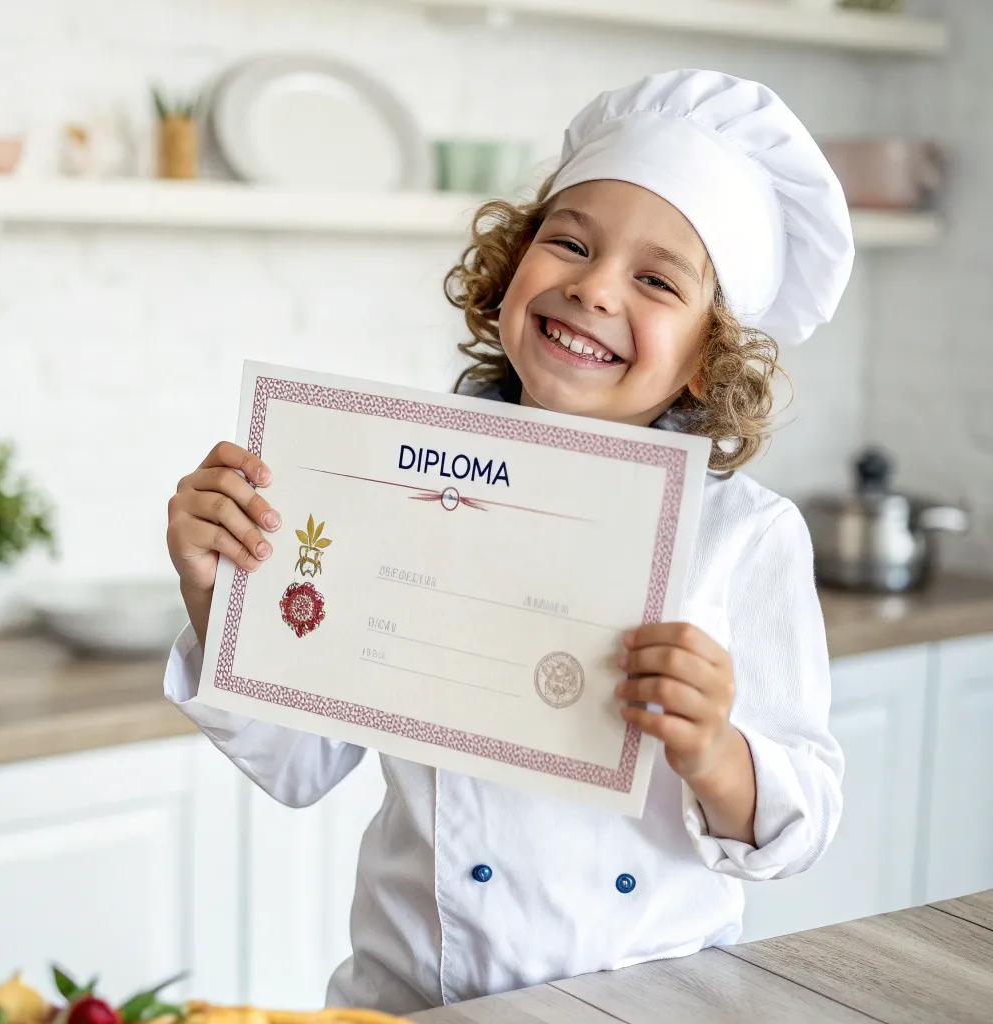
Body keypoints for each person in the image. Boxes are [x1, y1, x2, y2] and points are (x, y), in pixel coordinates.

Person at [164, 69, 852, 1016]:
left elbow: (798, 825)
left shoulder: (745, 535)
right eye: (568, 241)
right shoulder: (397, 485)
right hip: (402, 1001)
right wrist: (218, 590)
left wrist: (715, 751)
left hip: (645, 1003)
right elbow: (300, 762)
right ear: (509, 269)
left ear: (707, 353)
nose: (595, 288)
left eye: (656, 279)